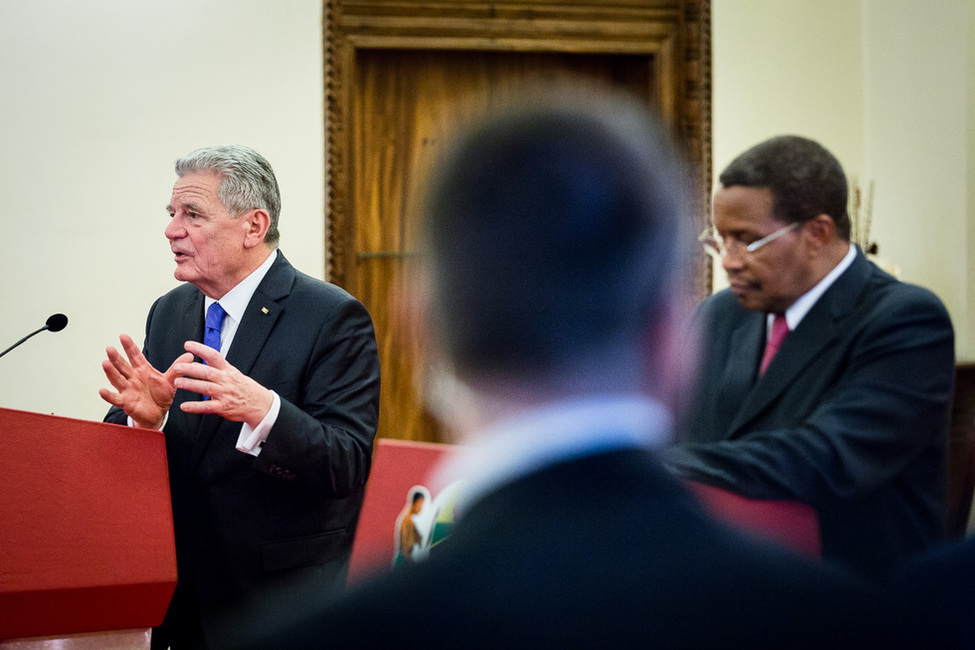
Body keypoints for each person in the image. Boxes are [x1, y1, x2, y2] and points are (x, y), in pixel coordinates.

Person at [245, 91, 913, 648]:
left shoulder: (312, 638)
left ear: (420, 328)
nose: (732, 259)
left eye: (745, 239)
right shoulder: (842, 625)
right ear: (669, 337)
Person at [99, 145, 381, 649]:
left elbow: (347, 462)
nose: (171, 230)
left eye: (192, 215)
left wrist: (266, 413)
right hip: (179, 599)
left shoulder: (332, 317)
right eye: (172, 214)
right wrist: (147, 423)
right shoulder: (169, 311)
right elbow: (150, 441)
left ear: (253, 226)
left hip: (278, 599)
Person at [663, 135, 955, 583]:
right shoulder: (718, 315)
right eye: (719, 240)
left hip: (856, 601)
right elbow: (668, 426)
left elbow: (826, 459)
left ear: (817, 233)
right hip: (729, 588)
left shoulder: (904, 320)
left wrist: (657, 470)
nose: (728, 261)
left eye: (747, 240)